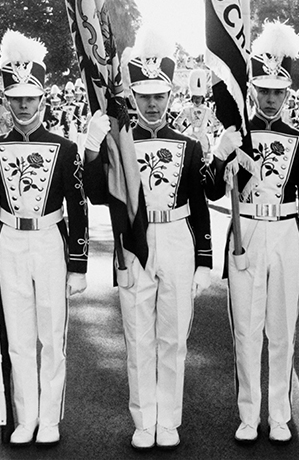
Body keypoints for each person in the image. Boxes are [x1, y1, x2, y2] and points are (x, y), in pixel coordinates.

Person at [83, 27, 213, 450]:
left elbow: (200, 203)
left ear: (171, 95)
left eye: (159, 95)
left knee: (173, 337)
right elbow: (98, 194)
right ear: (133, 96)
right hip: (135, 240)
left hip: (177, 237)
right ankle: (144, 420)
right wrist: (92, 150)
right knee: (138, 335)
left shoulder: (189, 145)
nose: (152, 103)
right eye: (144, 95)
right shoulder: (120, 143)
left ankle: (169, 419)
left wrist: (206, 259)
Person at [205, 21, 299, 444]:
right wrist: (221, 154)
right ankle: (249, 415)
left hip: (286, 232)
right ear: (252, 89)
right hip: (247, 230)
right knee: (246, 330)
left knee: (282, 329)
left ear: (287, 91)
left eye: (278, 90)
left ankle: (281, 415)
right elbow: (213, 188)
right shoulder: (238, 132)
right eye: (264, 90)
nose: (270, 98)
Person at [0, 30, 88, 446]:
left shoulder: (64, 147)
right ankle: (25, 417)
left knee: (50, 335)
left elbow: (78, 207)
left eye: (30, 97)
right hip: (10, 243)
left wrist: (78, 265)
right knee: (19, 336)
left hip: (48, 243)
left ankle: (50, 417)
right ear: (6, 100)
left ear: (42, 98)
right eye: (16, 98)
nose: (23, 105)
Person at [174, 68, 218, 162]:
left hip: (204, 142)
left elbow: (217, 124)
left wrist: (207, 130)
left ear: (203, 98)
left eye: (199, 98)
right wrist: (186, 131)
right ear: (192, 97)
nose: (197, 100)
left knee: (204, 163)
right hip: (190, 139)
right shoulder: (186, 110)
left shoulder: (208, 111)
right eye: (195, 97)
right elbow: (176, 123)